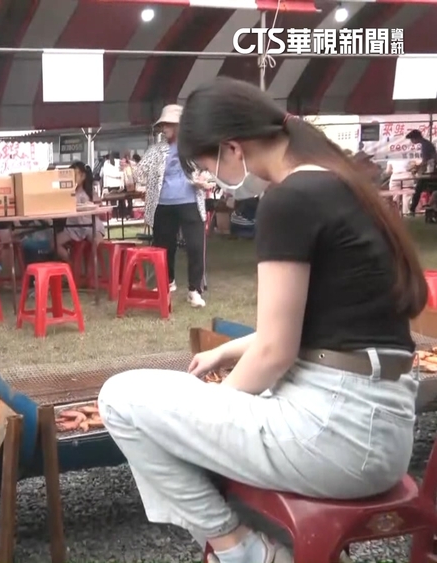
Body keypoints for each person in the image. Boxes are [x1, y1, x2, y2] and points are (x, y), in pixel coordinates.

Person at [99, 78, 426, 563]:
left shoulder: (290, 199)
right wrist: (228, 350)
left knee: (120, 398)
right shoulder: (344, 184)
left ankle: (241, 551)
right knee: (184, 404)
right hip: (381, 427)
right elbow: (323, 323)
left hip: (337, 433)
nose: (216, 180)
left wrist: (210, 413)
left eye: (211, 167)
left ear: (233, 148)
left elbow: (276, 352)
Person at [137, 104, 207, 308]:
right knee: (164, 246)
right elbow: (140, 172)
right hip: (163, 203)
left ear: (178, 126)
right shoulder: (156, 149)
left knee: (195, 246)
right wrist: (135, 170)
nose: (164, 128)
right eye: (163, 124)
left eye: (168, 124)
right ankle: (168, 282)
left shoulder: (193, 147)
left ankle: (194, 290)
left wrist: (203, 178)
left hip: (190, 201)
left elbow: (208, 168)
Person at [56, 162, 104, 262]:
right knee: (55, 243)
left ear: (83, 176)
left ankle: (91, 272)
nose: (72, 177)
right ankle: (70, 266)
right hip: (73, 228)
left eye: (75, 174)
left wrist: (94, 203)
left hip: (91, 226)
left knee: (95, 242)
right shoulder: (68, 193)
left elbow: (99, 206)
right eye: (70, 175)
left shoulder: (89, 192)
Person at [406, 129, 437, 214]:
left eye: (412, 139)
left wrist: (416, 167)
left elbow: (426, 160)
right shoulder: (426, 144)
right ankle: (430, 208)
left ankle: (412, 210)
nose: (412, 141)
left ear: (416, 138)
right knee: (429, 190)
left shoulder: (425, 145)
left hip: (430, 171)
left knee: (418, 190)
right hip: (430, 170)